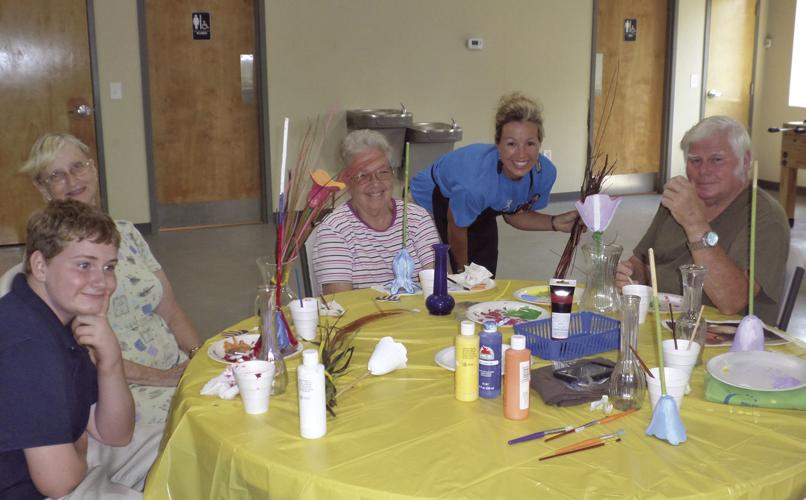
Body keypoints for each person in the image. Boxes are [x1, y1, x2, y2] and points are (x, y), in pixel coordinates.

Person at [18, 132, 203, 489]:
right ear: (43, 189)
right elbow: (82, 358)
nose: (72, 180)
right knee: (201, 437)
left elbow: (171, 311)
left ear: (93, 168)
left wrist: (200, 357)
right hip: (122, 391)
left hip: (176, 370)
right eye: (56, 175)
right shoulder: (53, 266)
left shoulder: (127, 234)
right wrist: (167, 378)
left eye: (78, 166)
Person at [0, 200, 137, 499]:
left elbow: (117, 434)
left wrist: (111, 361)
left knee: (176, 445)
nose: (102, 282)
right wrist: (79, 446)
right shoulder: (27, 345)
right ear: (40, 266)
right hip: (31, 489)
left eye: (109, 267)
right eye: (84, 265)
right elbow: (60, 483)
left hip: (62, 465)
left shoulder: (59, 319)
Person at [615, 116, 790, 324]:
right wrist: (629, 275)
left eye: (717, 160)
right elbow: (643, 263)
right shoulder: (677, 200)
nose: (704, 171)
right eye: (695, 160)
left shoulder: (766, 218)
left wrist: (695, 225)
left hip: (723, 333)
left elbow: (731, 302)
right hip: (661, 321)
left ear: (745, 161)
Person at [410, 92, 578, 276]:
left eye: (530, 143)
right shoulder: (474, 184)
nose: (521, 154)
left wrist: (555, 222)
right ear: (497, 145)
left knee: (485, 275)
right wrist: (462, 272)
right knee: (443, 276)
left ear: (540, 143)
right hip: (433, 198)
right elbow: (456, 228)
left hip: (479, 205)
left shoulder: (545, 174)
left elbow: (514, 214)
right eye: (511, 144)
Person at [313, 129, 441, 294]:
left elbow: (438, 285)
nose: (375, 182)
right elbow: (340, 301)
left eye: (383, 172)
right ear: (347, 181)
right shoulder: (335, 230)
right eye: (362, 175)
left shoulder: (417, 218)